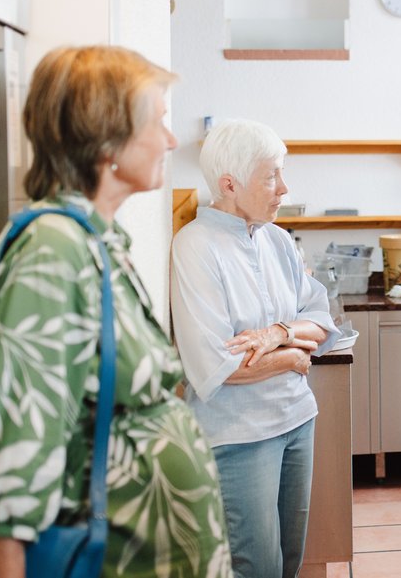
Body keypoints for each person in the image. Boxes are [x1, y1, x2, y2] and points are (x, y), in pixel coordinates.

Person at [0, 46, 233, 577]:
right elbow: (12, 471)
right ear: (108, 138)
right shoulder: (52, 252)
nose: (171, 141)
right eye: (158, 121)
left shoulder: (95, 240)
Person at [170, 118, 340, 578]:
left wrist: (279, 333)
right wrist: (294, 356)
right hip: (239, 436)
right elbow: (217, 363)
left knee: (289, 560)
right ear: (229, 184)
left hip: (297, 420)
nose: (283, 188)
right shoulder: (195, 247)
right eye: (271, 176)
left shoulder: (279, 241)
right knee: (257, 567)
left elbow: (321, 319)